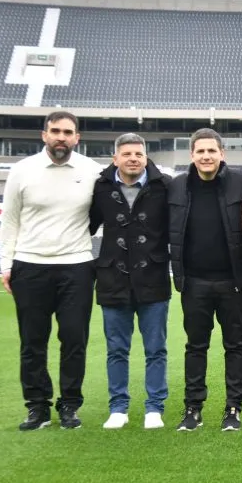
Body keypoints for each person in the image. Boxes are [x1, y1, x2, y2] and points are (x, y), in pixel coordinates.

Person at [0, 110, 102, 431]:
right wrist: (7, 265)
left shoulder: (93, 171)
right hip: (30, 266)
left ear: (77, 138)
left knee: (74, 340)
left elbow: (102, 216)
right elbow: (9, 220)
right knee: (32, 342)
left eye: (67, 132)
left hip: (77, 266)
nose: (61, 137)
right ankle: (37, 407)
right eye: (55, 131)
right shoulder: (22, 170)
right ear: (44, 135)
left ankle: (69, 404)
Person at [168, 129, 242, 432]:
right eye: (200, 151)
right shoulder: (177, 186)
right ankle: (193, 408)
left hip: (233, 282)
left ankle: (234, 408)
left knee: (235, 345)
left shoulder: (241, 183)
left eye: (211, 151)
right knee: (196, 346)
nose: (206, 156)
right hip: (194, 283)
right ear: (192, 155)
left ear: (222, 154)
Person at [89, 133, 171, 430]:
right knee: (116, 349)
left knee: (156, 349)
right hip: (113, 279)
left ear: (146, 156)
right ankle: (118, 407)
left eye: (138, 153)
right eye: (127, 154)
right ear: (116, 158)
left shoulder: (163, 186)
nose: (133, 158)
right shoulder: (99, 187)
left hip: (153, 278)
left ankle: (154, 408)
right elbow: (84, 225)